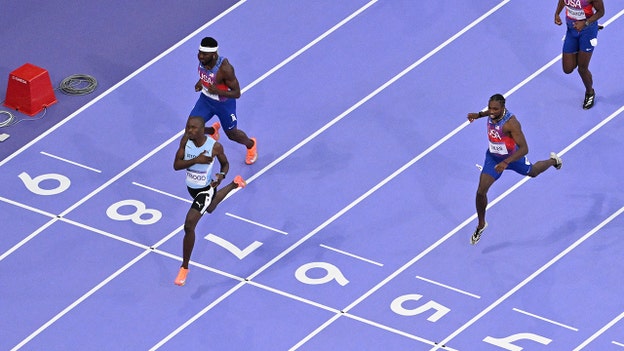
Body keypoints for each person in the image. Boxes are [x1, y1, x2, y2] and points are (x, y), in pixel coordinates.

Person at [467, 94, 563, 245]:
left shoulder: (511, 124)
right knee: (481, 191)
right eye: (489, 107)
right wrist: (478, 115)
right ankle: (481, 224)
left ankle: (553, 160)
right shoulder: (492, 112)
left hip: (513, 158)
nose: (491, 111)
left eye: (495, 109)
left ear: (503, 108)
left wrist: (506, 162)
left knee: (533, 172)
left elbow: (525, 148)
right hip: (493, 158)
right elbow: (488, 113)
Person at [173, 116, 247, 286]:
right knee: (211, 207)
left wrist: (221, 176)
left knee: (189, 224)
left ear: (201, 130)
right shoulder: (185, 140)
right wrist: (196, 160)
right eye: (187, 127)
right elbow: (176, 165)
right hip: (191, 188)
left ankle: (184, 268)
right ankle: (235, 184)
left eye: (193, 128)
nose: (189, 131)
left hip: (205, 189)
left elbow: (225, 164)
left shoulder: (214, 147)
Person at [190, 36, 258, 164]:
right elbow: (206, 75)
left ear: (214, 54)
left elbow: (237, 93)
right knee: (192, 127)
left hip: (224, 105)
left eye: (204, 54)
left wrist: (217, 91)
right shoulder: (203, 62)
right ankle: (213, 131)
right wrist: (200, 82)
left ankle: (251, 145)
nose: (200, 56)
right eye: (199, 53)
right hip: (206, 100)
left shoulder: (225, 69)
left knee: (232, 135)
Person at [554, 0, 605, 109]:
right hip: (571, 29)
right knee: (567, 69)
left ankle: (590, 92)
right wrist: (557, 13)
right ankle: (580, 48)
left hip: (587, 31)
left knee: (582, 68)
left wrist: (586, 22)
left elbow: (601, 11)